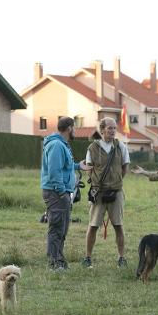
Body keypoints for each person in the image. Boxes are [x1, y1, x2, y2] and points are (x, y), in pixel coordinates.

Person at [41, 116, 90, 271]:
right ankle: (54, 263)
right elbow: (54, 172)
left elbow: (64, 166)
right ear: (69, 128)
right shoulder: (56, 145)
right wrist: (62, 192)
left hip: (61, 193)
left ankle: (59, 260)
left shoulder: (61, 144)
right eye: (74, 127)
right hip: (57, 193)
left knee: (62, 228)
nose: (74, 130)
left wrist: (78, 166)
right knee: (56, 228)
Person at [82, 117, 130, 269]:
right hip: (99, 193)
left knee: (118, 225)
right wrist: (99, 184)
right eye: (110, 128)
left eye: (115, 128)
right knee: (93, 225)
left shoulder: (120, 146)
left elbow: (125, 168)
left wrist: (115, 182)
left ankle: (121, 258)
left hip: (116, 192)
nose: (113, 131)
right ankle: (88, 257)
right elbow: (89, 170)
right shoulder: (92, 148)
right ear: (102, 129)